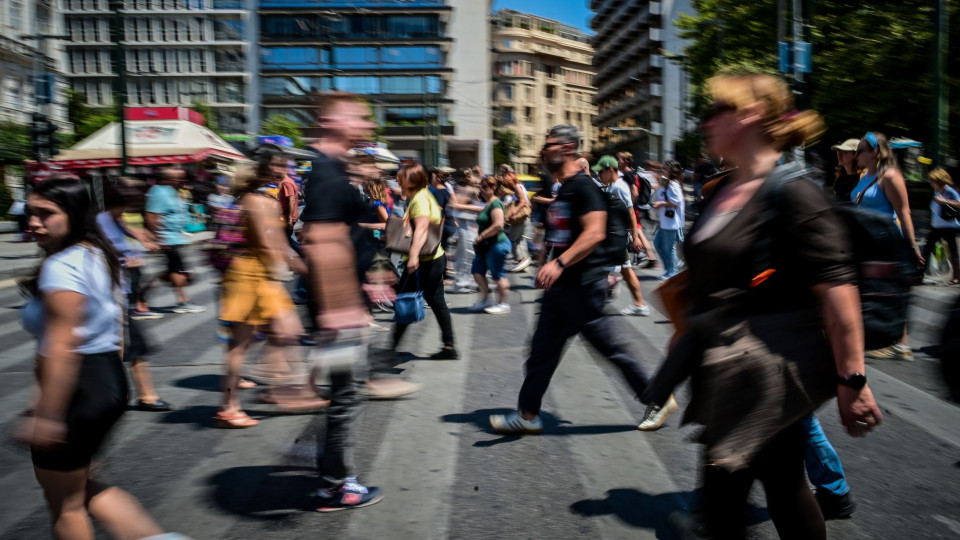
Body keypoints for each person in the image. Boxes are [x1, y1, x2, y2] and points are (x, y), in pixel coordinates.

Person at [660, 73, 882, 540]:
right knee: (782, 484)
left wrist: (853, 381)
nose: (706, 121)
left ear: (751, 115)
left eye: (718, 108)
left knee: (730, 497)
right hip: (725, 366)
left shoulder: (794, 193)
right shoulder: (723, 189)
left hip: (767, 371)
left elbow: (839, 291)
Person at [17, 177, 174, 540]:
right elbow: (118, 327)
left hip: (77, 388)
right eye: (31, 213)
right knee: (80, 489)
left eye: (46, 214)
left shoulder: (62, 267)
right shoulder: (97, 254)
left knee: (65, 506)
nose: (34, 222)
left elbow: (60, 344)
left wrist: (49, 414)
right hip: (105, 382)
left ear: (73, 213)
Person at [489, 124, 662, 434]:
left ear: (567, 149)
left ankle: (657, 399)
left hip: (583, 287)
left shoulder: (585, 187)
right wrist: (546, 262)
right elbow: (559, 236)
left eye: (550, 144)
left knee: (612, 349)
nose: (544, 150)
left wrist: (559, 264)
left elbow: (594, 233)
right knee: (542, 351)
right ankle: (528, 416)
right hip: (561, 289)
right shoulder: (565, 188)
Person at [300, 92, 384, 511]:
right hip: (339, 309)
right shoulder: (328, 173)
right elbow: (321, 241)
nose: (367, 125)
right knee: (347, 395)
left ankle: (331, 479)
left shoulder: (328, 171)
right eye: (360, 117)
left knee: (342, 393)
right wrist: (340, 307)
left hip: (339, 305)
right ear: (331, 120)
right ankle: (338, 485)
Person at [217, 153, 327, 428]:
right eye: (278, 166)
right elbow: (273, 246)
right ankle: (234, 405)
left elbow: (276, 245)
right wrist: (309, 271)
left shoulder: (246, 200)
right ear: (263, 170)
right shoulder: (260, 202)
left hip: (249, 275)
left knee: (281, 335)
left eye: (285, 166)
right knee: (250, 343)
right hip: (253, 278)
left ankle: (272, 392)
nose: (283, 170)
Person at [97, 184, 171, 411]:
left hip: (122, 289)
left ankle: (139, 395)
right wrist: (124, 258)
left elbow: (130, 233)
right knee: (129, 345)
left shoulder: (116, 218)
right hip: (109, 293)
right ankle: (137, 396)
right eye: (126, 204)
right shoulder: (100, 221)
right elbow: (98, 250)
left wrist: (145, 241)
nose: (129, 209)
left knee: (131, 345)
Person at [853, 132, 923, 361]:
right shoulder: (865, 175)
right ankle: (895, 342)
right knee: (873, 289)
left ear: (875, 152)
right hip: (866, 241)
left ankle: (900, 344)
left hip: (886, 241)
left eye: (860, 150)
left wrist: (913, 248)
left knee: (889, 291)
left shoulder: (890, 176)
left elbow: (904, 212)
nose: (857, 154)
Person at [392, 164, 458, 357]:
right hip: (434, 257)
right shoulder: (424, 194)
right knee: (437, 302)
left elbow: (421, 228)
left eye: (400, 178)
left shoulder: (419, 199)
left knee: (404, 300)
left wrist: (413, 257)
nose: (397, 181)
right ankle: (449, 347)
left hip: (424, 260)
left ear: (410, 180)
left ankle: (391, 349)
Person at [592, 155, 650, 317]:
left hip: (616, 238)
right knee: (624, 270)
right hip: (616, 236)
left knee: (603, 270)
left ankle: (596, 305)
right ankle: (639, 304)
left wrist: (635, 236)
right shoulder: (612, 186)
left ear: (610, 170)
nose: (599, 176)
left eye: (601, 172)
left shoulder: (619, 187)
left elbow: (630, 211)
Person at [145, 168, 206, 314]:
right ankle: (182, 301)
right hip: (167, 238)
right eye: (179, 178)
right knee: (177, 270)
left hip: (175, 237)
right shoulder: (158, 192)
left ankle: (142, 297)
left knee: (174, 271)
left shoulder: (173, 191)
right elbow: (151, 216)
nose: (183, 181)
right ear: (168, 179)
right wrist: (159, 238)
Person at [469, 175, 512, 315]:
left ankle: (503, 303)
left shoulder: (496, 204)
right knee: (477, 271)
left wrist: (481, 236)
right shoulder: (488, 203)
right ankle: (486, 299)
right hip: (485, 245)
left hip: (496, 244)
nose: (481, 189)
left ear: (493, 189)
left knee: (498, 274)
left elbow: (498, 225)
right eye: (480, 187)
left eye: (484, 187)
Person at [618, 152, 658, 268]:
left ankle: (643, 254)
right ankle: (649, 257)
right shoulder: (632, 172)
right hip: (634, 208)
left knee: (636, 232)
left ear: (625, 161)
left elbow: (634, 192)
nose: (617, 161)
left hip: (632, 209)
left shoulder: (628, 174)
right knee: (637, 231)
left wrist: (628, 205)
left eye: (619, 159)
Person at [922, 168, 960, 284]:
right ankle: (919, 274)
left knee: (952, 251)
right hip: (936, 227)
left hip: (949, 227)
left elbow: (959, 204)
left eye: (933, 181)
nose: (931, 183)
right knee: (927, 250)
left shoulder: (949, 191)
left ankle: (957, 277)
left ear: (940, 180)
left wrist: (945, 202)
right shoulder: (936, 192)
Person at [652, 161, 685, 280]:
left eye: (666, 169)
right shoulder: (670, 183)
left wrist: (661, 203)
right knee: (658, 243)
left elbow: (677, 201)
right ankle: (671, 267)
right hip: (666, 222)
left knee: (668, 247)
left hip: (670, 223)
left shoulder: (673, 184)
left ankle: (672, 272)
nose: (663, 170)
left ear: (672, 171)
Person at [499, 164, 532, 272]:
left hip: (519, 218)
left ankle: (523, 259)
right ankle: (522, 261)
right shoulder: (516, 188)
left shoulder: (517, 187)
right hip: (519, 218)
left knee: (512, 240)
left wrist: (514, 212)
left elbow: (523, 201)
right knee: (518, 239)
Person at [830, 139, 861, 205]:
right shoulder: (839, 178)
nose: (839, 154)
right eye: (838, 151)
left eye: (845, 152)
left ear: (856, 155)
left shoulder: (863, 178)